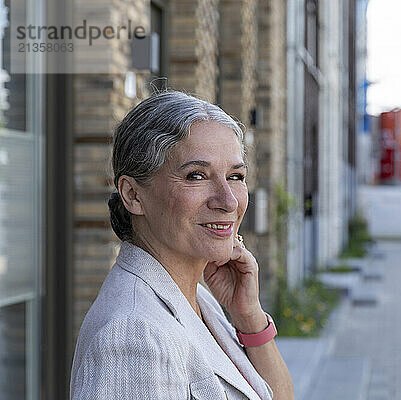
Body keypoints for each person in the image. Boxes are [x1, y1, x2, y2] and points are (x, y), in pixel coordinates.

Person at [70, 91, 294, 400]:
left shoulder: (196, 297)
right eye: (196, 175)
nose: (228, 201)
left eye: (236, 176)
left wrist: (249, 316)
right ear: (133, 195)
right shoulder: (134, 334)